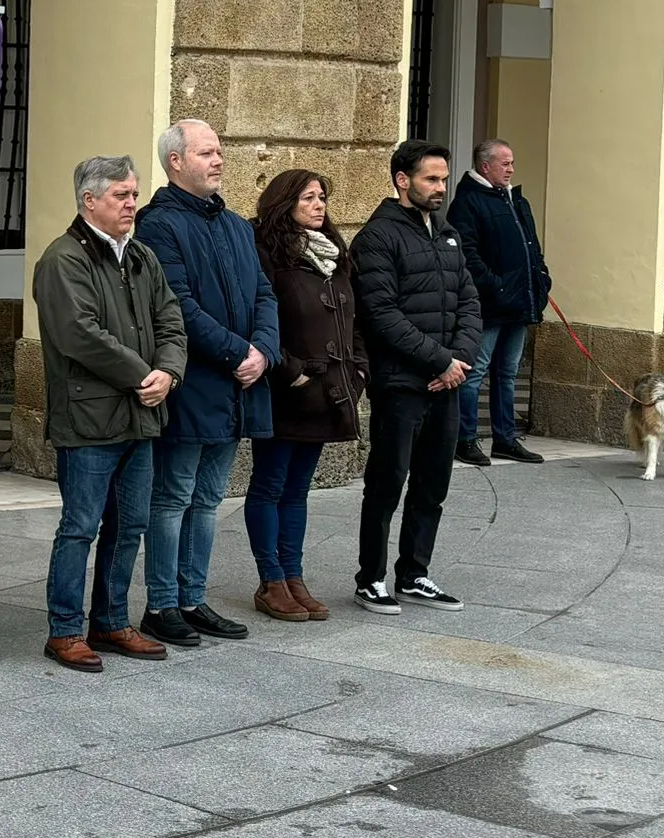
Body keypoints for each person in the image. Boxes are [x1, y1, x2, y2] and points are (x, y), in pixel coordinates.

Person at [32, 155, 188, 673]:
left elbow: (171, 320)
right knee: (80, 527)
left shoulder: (141, 255)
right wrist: (144, 374)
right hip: (90, 420)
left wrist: (168, 372)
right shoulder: (63, 259)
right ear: (89, 201)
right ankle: (65, 631)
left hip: (141, 416)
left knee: (131, 525)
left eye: (133, 193)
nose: (131, 203)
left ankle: (113, 621)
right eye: (121, 195)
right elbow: (78, 333)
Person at [134, 120, 279, 647]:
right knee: (173, 495)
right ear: (176, 162)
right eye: (206, 152)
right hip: (194, 384)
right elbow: (177, 306)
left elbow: (265, 293)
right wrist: (239, 351)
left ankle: (193, 598)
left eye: (220, 151)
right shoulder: (159, 224)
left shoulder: (238, 225)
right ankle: (162, 604)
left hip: (239, 385)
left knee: (211, 496)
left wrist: (264, 350)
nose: (218, 160)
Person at [351, 140, 481, 615]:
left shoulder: (448, 233)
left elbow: (469, 301)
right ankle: (371, 578)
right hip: (402, 384)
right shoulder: (378, 238)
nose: (441, 188)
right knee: (386, 484)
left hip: (446, 383)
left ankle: (415, 574)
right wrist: (438, 362)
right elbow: (381, 314)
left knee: (433, 485)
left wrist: (458, 363)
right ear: (402, 180)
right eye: (431, 179)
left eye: (444, 179)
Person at [247, 170, 368, 623]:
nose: (320, 206)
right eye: (309, 198)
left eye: (322, 198)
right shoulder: (266, 253)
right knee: (270, 485)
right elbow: (258, 316)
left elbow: (354, 319)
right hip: (287, 389)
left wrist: (358, 369)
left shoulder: (333, 254)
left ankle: (294, 577)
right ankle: (270, 580)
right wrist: (291, 371)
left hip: (328, 392)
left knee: (298, 490)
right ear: (285, 203)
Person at [446, 139, 551, 466]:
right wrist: (497, 287)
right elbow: (468, 256)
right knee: (474, 373)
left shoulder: (516, 200)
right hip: (488, 306)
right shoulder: (468, 202)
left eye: (512, 163)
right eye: (504, 163)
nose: (510, 169)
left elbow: (532, 249)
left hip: (519, 304)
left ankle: (505, 439)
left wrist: (541, 279)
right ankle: (465, 439)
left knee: (507, 373)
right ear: (485, 166)